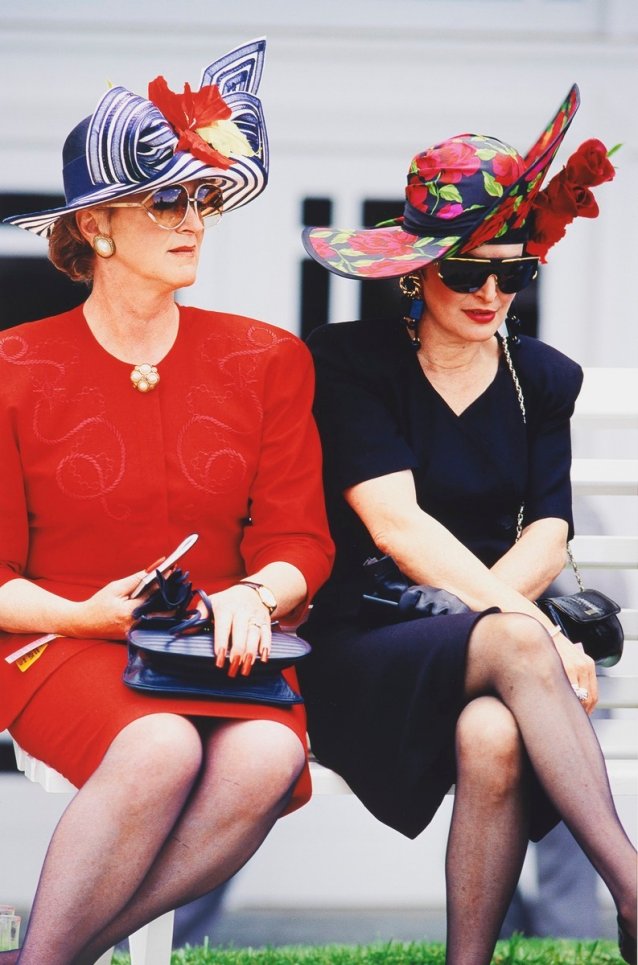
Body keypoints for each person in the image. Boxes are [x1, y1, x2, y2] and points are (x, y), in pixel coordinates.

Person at [0, 39, 333, 965]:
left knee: (268, 759)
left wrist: (255, 595)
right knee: (159, 750)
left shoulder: (267, 358)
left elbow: (299, 535)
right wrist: (82, 613)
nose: (194, 217)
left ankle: (42, 958)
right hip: (56, 640)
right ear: (98, 227)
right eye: (167, 198)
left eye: (203, 197)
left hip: (215, 645)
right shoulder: (12, 368)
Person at [297, 83, 637, 965]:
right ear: (416, 270)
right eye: (467, 270)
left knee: (492, 732)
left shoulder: (542, 378)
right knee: (524, 651)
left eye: (513, 272)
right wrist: (531, 630)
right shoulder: (348, 362)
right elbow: (396, 526)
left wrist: (504, 622)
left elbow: (549, 533)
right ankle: (635, 890)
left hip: (487, 649)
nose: (492, 292)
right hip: (366, 641)